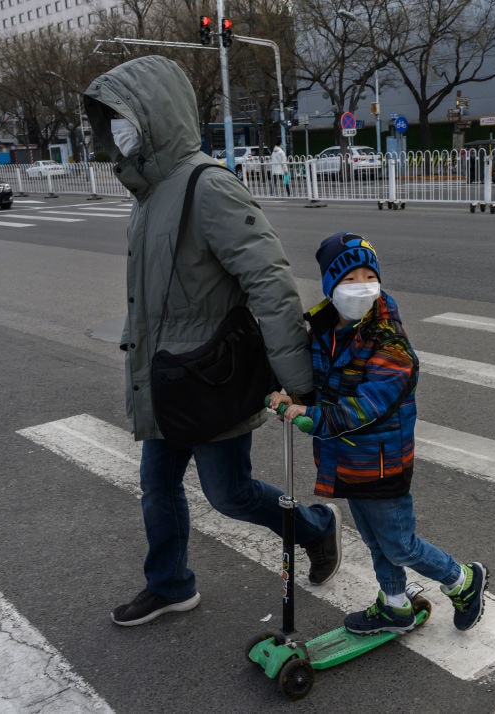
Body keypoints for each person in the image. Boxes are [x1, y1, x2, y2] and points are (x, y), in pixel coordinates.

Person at [83, 55, 341, 628]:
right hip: (163, 377)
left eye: (124, 117)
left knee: (230, 494)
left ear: (155, 115)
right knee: (157, 486)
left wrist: (299, 380)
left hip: (210, 376)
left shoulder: (210, 186)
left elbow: (269, 282)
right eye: (111, 120)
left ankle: (316, 528)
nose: (118, 131)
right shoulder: (147, 195)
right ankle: (170, 584)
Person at [268, 233, 488, 635]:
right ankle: (395, 603)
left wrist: (314, 417)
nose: (362, 286)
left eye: (370, 276)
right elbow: (319, 383)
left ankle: (462, 580)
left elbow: (371, 404)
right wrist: (294, 398)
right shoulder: (324, 328)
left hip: (382, 460)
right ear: (331, 285)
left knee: (399, 544)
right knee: (373, 538)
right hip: (349, 457)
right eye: (350, 278)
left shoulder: (389, 340)